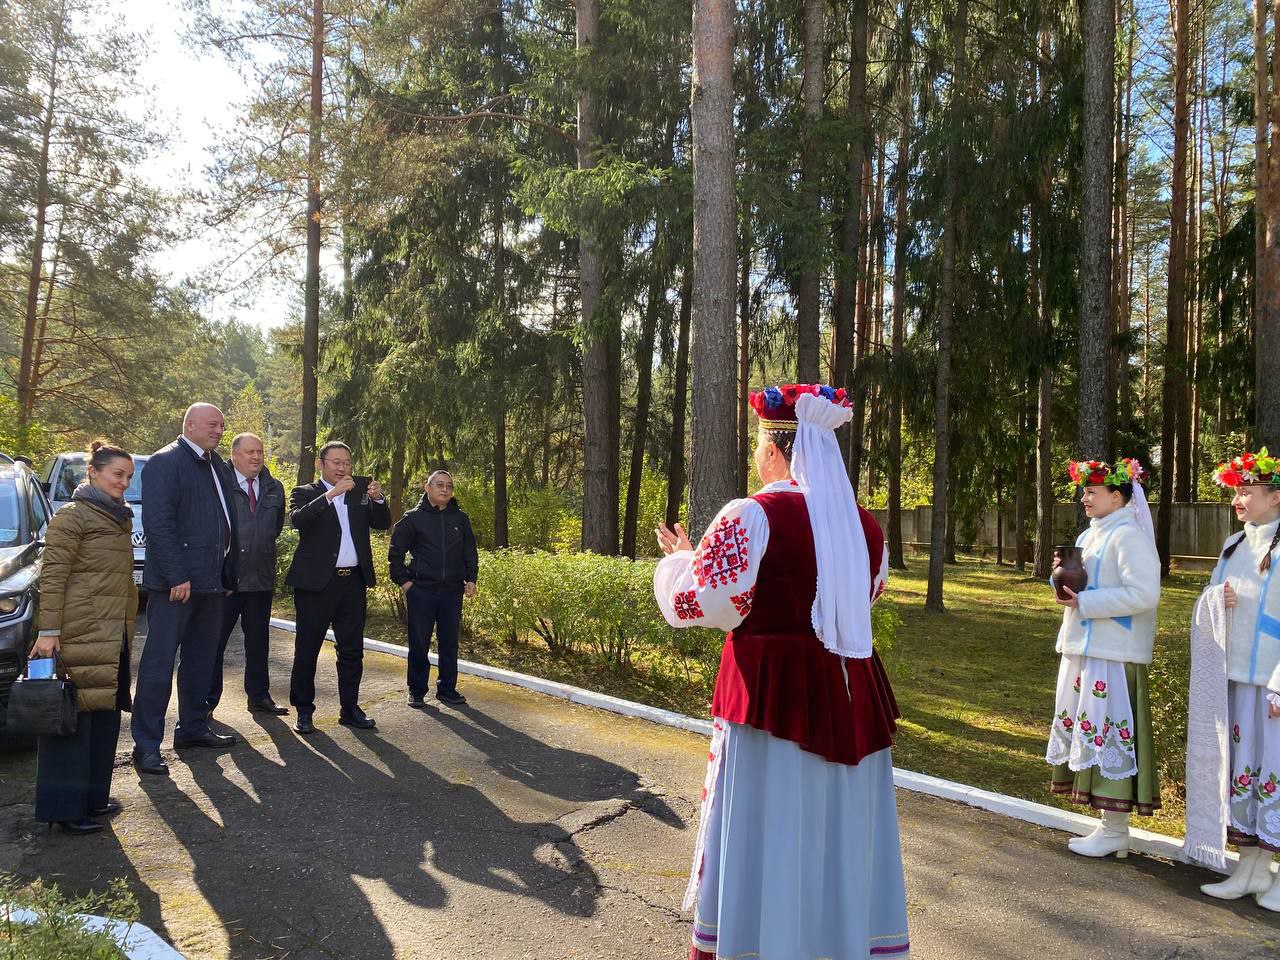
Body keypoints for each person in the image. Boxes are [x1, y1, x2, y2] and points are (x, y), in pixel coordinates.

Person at [654, 383, 909, 960]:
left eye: (758, 446)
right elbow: (863, 596)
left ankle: (765, 943)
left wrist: (678, 563)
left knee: (773, 820)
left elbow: (710, 602)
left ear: (773, 449)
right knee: (838, 825)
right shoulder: (864, 527)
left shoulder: (753, 514)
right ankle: (836, 942)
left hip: (773, 699)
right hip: (849, 694)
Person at [1045, 458, 1162, 858]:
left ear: (1117, 497)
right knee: (1091, 735)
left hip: (1113, 653)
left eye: (1093, 491)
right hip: (1086, 650)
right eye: (1084, 491)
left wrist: (1088, 602)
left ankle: (1116, 829)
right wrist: (1060, 578)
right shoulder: (1090, 535)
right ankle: (1108, 827)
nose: (1085, 498)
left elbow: (1145, 594)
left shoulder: (1129, 536)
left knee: (1110, 734)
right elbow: (1082, 587)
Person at [29, 440, 138, 833]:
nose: (124, 482)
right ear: (93, 473)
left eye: (129, 477)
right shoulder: (72, 516)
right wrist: (49, 630)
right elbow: (53, 576)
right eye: (117, 474)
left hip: (111, 632)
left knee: (103, 718)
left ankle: (92, 799)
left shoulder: (116, 516)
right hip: (79, 631)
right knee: (72, 721)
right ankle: (65, 811)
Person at [1188, 449, 1280, 908]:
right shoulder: (1233, 545)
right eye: (1236, 491)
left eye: (1246, 491)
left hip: (1273, 681)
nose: (1237, 499)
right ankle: (1251, 869)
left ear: (1275, 496)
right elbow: (1211, 594)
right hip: (1237, 676)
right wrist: (1214, 599)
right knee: (1247, 773)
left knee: (1277, 771)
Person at [132, 403, 238, 776]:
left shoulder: (217, 464)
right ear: (189, 425)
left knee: (200, 662)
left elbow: (227, 523)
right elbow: (158, 524)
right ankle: (146, 746)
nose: (219, 431)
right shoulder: (165, 462)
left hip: (211, 584)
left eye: (222, 426)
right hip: (176, 586)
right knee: (159, 666)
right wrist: (177, 575)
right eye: (213, 424)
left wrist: (228, 577)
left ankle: (192, 728)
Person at [286, 441, 390, 734]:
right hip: (316, 584)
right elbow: (298, 520)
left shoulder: (358, 492)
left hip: (353, 582)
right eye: (336, 462)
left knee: (352, 649)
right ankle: (304, 711)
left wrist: (378, 499)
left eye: (347, 463)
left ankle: (350, 708)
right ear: (321, 464)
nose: (343, 468)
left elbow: (382, 522)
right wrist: (331, 495)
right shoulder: (305, 492)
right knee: (307, 648)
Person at [210, 433, 287, 717]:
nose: (256, 457)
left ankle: (259, 697)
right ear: (234, 455)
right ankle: (206, 703)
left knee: (258, 643)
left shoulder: (274, 487)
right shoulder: (218, 483)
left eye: (260, 452)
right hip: (225, 582)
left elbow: (274, 529)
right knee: (213, 645)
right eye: (249, 452)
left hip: (260, 579)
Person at [388, 470, 478, 708]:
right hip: (422, 591)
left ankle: (447, 689)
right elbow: (395, 554)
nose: (445, 489)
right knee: (419, 642)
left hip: (452, 592)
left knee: (449, 642)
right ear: (427, 488)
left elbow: (470, 552)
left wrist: (471, 578)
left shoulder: (460, 519)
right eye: (439, 484)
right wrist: (406, 583)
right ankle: (416, 690)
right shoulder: (412, 518)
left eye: (449, 485)